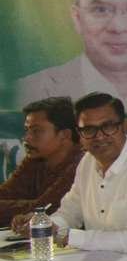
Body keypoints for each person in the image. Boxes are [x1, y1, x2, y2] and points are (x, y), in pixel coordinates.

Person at [12, 93, 127, 261]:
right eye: (89, 130)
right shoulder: (87, 162)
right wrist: (45, 225)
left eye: (108, 127)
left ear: (124, 126)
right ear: (79, 134)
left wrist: (68, 236)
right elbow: (68, 214)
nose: (99, 136)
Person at [0, 97, 83, 227]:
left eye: (36, 131)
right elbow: (5, 193)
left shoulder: (82, 163)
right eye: (27, 130)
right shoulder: (34, 158)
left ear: (65, 135)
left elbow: (44, 209)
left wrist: (30, 207)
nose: (26, 138)